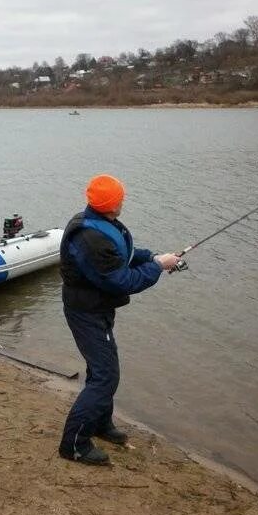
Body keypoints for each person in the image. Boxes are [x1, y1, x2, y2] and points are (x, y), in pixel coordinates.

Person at [58, 174, 181, 465]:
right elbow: (122, 281)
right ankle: (73, 444)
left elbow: (122, 255)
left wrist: (154, 258)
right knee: (106, 376)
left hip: (95, 308)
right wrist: (156, 267)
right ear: (113, 204)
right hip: (85, 312)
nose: (124, 201)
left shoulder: (101, 223)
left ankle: (100, 424)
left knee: (102, 369)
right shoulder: (91, 238)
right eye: (121, 198)